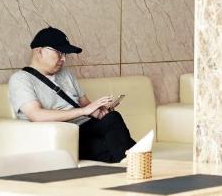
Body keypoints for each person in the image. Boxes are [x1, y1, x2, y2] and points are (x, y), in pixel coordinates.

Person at [8, 27, 136, 162]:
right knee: (119, 147)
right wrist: (83, 111)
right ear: (39, 51)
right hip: (63, 136)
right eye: (59, 53)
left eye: (65, 54)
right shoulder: (21, 79)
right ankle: (135, 163)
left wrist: (98, 111)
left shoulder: (66, 74)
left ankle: (132, 163)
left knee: (112, 120)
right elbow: (37, 115)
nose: (63, 59)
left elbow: (85, 105)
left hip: (87, 127)